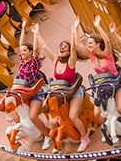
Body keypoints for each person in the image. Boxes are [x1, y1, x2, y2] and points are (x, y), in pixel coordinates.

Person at [78, 15, 121, 139]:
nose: (89, 45)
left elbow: (107, 41)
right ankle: (107, 129)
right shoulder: (92, 56)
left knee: (120, 109)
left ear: (98, 44)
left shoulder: (107, 54)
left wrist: (98, 26)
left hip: (117, 85)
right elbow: (79, 46)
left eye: (91, 43)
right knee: (97, 114)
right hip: (103, 88)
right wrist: (75, 29)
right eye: (88, 43)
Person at [33, 19, 91, 152]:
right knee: (52, 120)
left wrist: (73, 32)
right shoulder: (55, 60)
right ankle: (59, 141)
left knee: (72, 116)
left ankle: (84, 138)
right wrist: (36, 33)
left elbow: (74, 48)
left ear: (69, 52)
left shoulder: (71, 61)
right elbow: (45, 47)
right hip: (60, 93)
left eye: (66, 47)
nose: (62, 47)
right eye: (61, 46)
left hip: (73, 91)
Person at [15, 19, 52, 150]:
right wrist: (23, 27)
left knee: (33, 116)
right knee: (15, 113)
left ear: (30, 52)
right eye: (22, 51)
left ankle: (47, 136)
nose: (22, 52)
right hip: (25, 90)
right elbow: (20, 43)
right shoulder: (22, 61)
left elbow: (36, 49)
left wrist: (36, 33)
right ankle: (24, 130)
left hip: (37, 90)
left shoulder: (33, 62)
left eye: (25, 51)